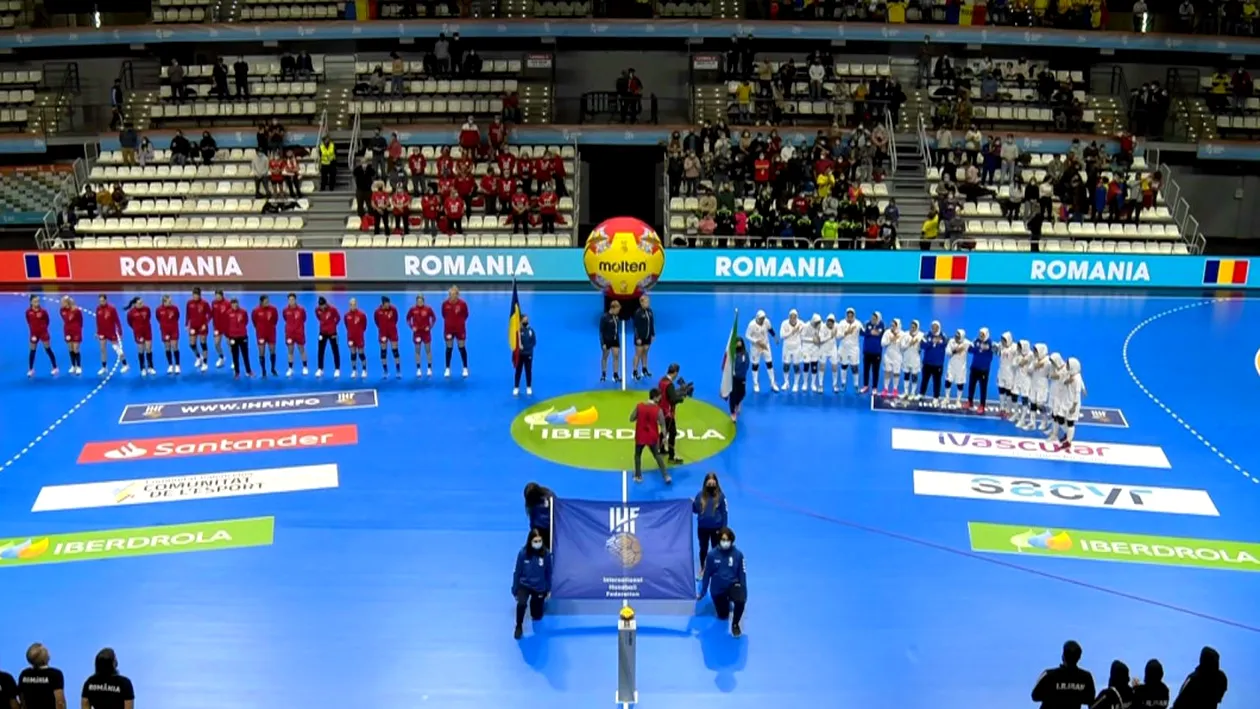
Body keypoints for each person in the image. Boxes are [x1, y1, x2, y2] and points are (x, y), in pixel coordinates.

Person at [698, 527, 747, 638]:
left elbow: (742, 575)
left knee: (740, 600)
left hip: (732, 586)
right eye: (723, 540)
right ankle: (726, 603)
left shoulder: (738, 555)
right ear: (719, 540)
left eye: (727, 540)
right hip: (718, 590)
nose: (725, 542)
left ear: (731, 540)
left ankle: (735, 624)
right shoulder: (711, 556)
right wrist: (702, 593)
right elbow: (706, 575)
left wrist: (744, 593)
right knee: (723, 615)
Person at [512, 529, 554, 640]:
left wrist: (548, 589)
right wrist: (515, 589)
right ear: (530, 541)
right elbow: (517, 572)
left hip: (539, 586)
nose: (538, 543)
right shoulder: (523, 554)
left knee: (537, 616)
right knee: (521, 603)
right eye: (535, 541)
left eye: (539, 541)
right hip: (524, 585)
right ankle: (519, 626)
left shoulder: (546, 555)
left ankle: (536, 603)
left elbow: (549, 573)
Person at [1031, 640, 1096, 709]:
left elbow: (1035, 696)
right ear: (1079, 657)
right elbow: (1090, 700)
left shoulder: (1049, 675)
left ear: (1063, 656)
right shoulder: (1086, 677)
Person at [629, 388, 671, 484]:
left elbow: (631, 418)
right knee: (657, 455)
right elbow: (663, 425)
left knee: (638, 455)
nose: (660, 399)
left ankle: (638, 476)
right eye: (659, 397)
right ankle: (666, 476)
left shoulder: (639, 406)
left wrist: (640, 416)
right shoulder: (658, 410)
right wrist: (664, 438)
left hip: (640, 436)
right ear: (655, 398)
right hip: (652, 437)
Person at [693, 472, 728, 577]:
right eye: (709, 483)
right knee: (703, 549)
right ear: (705, 483)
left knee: (716, 549)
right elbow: (696, 510)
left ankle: (715, 568)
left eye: (713, 483)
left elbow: (724, 512)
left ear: (716, 483)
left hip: (716, 529)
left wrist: (724, 529)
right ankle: (703, 568)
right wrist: (691, 504)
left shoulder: (721, 496)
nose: (711, 485)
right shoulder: (699, 496)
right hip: (702, 528)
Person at [658, 363, 690, 465]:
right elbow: (673, 399)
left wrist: (679, 391)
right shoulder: (670, 385)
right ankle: (672, 456)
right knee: (672, 433)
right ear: (675, 372)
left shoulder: (662, 380)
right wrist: (682, 397)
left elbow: (667, 394)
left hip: (661, 411)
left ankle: (661, 449)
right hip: (668, 413)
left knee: (664, 430)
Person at [18, 643, 65, 709]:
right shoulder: (55, 674)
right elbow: (60, 702)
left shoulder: (24, 674)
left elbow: (22, 698)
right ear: (46, 657)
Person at [1055, 357, 1086, 449]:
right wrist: (1084, 389)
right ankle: (1068, 434)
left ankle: (1068, 441)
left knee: (1070, 422)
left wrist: (1074, 406)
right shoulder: (1071, 374)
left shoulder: (1076, 379)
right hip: (1066, 400)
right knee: (1059, 417)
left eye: (1068, 365)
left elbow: (1077, 393)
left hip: (1073, 403)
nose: (1067, 366)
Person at [744, 310, 778, 393]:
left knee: (769, 363)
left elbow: (770, 329)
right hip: (755, 348)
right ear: (757, 318)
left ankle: (773, 383)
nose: (762, 320)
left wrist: (775, 337)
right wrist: (756, 341)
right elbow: (747, 335)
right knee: (755, 365)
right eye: (761, 318)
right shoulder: (751, 325)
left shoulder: (766, 321)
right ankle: (755, 384)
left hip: (766, 346)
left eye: (763, 318)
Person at [25, 295, 58, 378]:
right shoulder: (28, 312)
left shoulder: (43, 311)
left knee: (48, 349)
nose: (37, 303)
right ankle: (31, 369)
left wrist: (43, 328)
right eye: (35, 301)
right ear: (31, 302)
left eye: (38, 301)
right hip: (34, 333)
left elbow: (47, 321)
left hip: (43, 333)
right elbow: (28, 321)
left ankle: (55, 367)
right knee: (32, 351)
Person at [442, 285, 470, 378]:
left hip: (460, 329)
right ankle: (447, 368)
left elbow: (466, 315)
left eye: (454, 294)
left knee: (461, 348)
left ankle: (465, 368)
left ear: (458, 295)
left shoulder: (462, 304)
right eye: (450, 294)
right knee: (449, 348)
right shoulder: (445, 304)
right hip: (448, 329)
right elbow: (444, 314)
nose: (451, 296)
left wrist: (459, 322)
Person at [95, 294, 127, 376]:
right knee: (102, 349)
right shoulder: (98, 309)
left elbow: (117, 321)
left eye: (102, 301)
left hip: (111, 332)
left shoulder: (112, 309)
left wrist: (120, 332)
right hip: (102, 332)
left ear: (106, 300)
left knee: (116, 348)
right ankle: (104, 367)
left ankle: (125, 364)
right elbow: (98, 321)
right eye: (100, 301)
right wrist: (97, 332)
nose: (101, 302)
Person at [966, 327, 995, 413]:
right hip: (974, 368)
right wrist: (979, 348)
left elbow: (996, 352)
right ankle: (969, 401)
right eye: (980, 334)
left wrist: (987, 348)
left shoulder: (991, 344)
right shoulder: (976, 341)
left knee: (983, 388)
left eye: (983, 334)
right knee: (971, 386)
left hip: (984, 370)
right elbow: (970, 349)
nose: (981, 336)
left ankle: (982, 405)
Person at [124, 297, 155, 377]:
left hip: (147, 330)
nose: (142, 304)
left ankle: (151, 367)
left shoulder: (147, 309)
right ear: (134, 304)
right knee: (141, 350)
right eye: (139, 303)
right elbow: (130, 322)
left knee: (148, 348)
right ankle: (142, 368)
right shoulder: (131, 313)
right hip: (138, 333)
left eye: (142, 302)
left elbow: (148, 317)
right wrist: (136, 328)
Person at [407, 294, 437, 377]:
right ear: (416, 301)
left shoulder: (428, 309)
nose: (419, 302)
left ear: (423, 301)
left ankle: (429, 369)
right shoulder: (412, 309)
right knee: (417, 351)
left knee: (428, 350)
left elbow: (434, 318)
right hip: (417, 333)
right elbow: (408, 319)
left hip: (426, 333)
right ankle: (418, 369)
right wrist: (412, 327)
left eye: (421, 301)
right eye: (418, 301)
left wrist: (430, 327)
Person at [252, 294, 279, 378]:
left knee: (272, 351)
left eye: (268, 301)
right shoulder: (256, 311)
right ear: (261, 302)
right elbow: (254, 322)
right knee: (261, 352)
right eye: (266, 301)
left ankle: (273, 369)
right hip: (261, 334)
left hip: (271, 333)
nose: (268, 303)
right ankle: (263, 371)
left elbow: (275, 320)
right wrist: (260, 329)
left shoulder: (273, 309)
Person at [375, 296, 402, 378]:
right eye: (386, 303)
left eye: (389, 303)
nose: (388, 305)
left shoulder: (393, 309)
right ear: (383, 303)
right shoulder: (377, 311)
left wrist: (391, 326)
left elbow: (396, 319)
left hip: (393, 332)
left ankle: (398, 371)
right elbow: (376, 321)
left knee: (395, 351)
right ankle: (385, 371)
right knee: (383, 352)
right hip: (383, 333)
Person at [185, 287, 211, 372]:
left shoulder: (205, 303)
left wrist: (205, 324)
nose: (195, 297)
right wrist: (186, 324)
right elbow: (187, 314)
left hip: (202, 326)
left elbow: (210, 314)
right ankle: (198, 357)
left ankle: (205, 363)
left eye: (197, 295)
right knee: (192, 344)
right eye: (194, 295)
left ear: (200, 295)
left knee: (203, 343)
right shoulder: (189, 303)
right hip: (193, 326)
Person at [225, 298, 252, 379]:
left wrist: (241, 329)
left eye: (236, 303)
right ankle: (237, 372)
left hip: (243, 336)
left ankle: (248, 371)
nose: (235, 305)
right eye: (233, 304)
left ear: (238, 303)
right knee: (235, 355)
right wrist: (228, 336)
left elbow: (246, 321)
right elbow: (226, 325)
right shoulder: (228, 313)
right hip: (233, 337)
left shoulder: (243, 312)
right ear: (231, 305)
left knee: (245, 354)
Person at [315, 296, 342, 378]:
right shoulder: (317, 310)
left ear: (326, 304)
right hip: (322, 332)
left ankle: (337, 369)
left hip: (332, 332)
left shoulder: (333, 309)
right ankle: (320, 369)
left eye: (323, 305)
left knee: (335, 350)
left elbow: (338, 318)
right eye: (320, 305)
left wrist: (332, 325)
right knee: (320, 351)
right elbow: (319, 317)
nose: (322, 307)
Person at [859, 310, 884, 395]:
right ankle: (865, 386)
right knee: (866, 370)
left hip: (877, 352)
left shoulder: (881, 325)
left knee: (875, 371)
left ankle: (874, 387)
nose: (873, 319)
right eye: (872, 317)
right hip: (867, 352)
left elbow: (879, 334)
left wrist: (869, 333)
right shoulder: (867, 324)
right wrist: (870, 332)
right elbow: (862, 332)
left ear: (878, 318)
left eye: (875, 318)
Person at [779, 309, 805, 393]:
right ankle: (786, 382)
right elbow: (782, 336)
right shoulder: (784, 323)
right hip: (787, 348)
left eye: (795, 317)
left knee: (796, 366)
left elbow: (804, 334)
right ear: (789, 317)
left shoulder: (801, 324)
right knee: (786, 365)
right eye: (791, 317)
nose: (793, 318)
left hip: (797, 349)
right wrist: (792, 332)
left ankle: (796, 384)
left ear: (797, 317)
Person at [283, 293, 308, 377]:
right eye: (289, 300)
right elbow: (285, 318)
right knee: (290, 351)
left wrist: (298, 328)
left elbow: (304, 319)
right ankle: (290, 369)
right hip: (289, 334)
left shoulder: (301, 310)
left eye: (293, 299)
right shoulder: (285, 310)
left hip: (299, 333)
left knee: (302, 350)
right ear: (288, 300)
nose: (291, 301)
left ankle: (305, 367)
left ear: (295, 300)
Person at [632, 294, 656, 382]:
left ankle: (644, 369)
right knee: (638, 354)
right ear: (641, 303)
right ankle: (634, 372)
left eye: (648, 302)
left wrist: (653, 334)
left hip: (648, 336)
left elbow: (652, 323)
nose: (648, 303)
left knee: (645, 353)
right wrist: (638, 337)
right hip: (640, 338)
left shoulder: (650, 311)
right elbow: (635, 327)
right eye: (646, 302)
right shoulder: (638, 313)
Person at [920, 320, 946, 400]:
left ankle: (936, 397)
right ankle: (921, 394)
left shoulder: (943, 336)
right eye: (933, 327)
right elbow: (922, 345)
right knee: (924, 379)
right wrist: (931, 342)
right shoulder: (927, 335)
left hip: (938, 364)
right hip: (927, 363)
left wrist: (938, 342)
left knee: (937, 381)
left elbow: (945, 345)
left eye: (936, 327)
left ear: (938, 327)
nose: (934, 329)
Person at [837, 308, 861, 392]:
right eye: (848, 315)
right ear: (846, 315)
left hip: (854, 349)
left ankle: (856, 385)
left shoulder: (858, 323)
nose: (850, 317)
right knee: (844, 366)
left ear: (854, 315)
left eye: (851, 316)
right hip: (843, 348)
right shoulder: (841, 323)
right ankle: (843, 383)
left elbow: (865, 332)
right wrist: (847, 332)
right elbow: (838, 336)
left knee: (854, 367)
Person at [1012, 340, 1035, 430]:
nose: (1018, 348)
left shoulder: (1031, 355)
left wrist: (1027, 362)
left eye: (1020, 347)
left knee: (1024, 399)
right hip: (1018, 378)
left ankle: (1023, 418)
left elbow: (1033, 367)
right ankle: (1016, 414)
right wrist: (1020, 362)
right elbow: (1013, 365)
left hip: (1026, 380)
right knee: (1014, 396)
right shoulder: (1018, 355)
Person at [156, 295, 181, 374]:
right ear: (164, 302)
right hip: (165, 331)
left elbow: (177, 316)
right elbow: (158, 318)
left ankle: (177, 365)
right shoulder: (159, 310)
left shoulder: (175, 308)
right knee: (167, 347)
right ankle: (170, 365)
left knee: (175, 347)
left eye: (171, 301)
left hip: (174, 330)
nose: (171, 303)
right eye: (169, 302)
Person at [944, 329, 970, 406]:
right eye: (956, 335)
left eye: (958, 336)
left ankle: (958, 400)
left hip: (961, 368)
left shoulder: (966, 343)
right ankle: (947, 398)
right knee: (948, 381)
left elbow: (974, 348)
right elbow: (947, 352)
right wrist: (956, 351)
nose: (956, 337)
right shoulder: (951, 341)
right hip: (951, 366)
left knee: (960, 384)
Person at [344, 298, 369, 379]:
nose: (352, 306)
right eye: (351, 304)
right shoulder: (346, 315)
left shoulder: (362, 315)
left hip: (359, 337)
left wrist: (360, 332)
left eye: (354, 304)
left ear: (356, 304)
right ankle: (354, 371)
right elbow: (346, 325)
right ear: (349, 305)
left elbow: (364, 326)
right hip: (351, 337)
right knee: (353, 354)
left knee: (361, 354)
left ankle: (364, 370)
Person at [59, 296, 83, 376]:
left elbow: (80, 321)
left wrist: (78, 329)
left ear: (67, 302)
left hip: (76, 331)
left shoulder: (76, 311)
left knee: (76, 348)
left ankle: (79, 366)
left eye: (62, 302)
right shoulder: (62, 311)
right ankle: (73, 366)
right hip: (67, 331)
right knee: (70, 348)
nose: (61, 304)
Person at [513, 312, 536, 397]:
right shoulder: (518, 331)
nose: (526, 321)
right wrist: (519, 347)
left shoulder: (531, 331)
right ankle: (516, 387)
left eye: (527, 320)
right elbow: (514, 343)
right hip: (520, 355)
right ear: (521, 321)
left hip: (528, 354)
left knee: (528, 371)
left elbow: (534, 342)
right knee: (518, 371)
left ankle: (529, 387)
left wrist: (526, 348)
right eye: (525, 320)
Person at [880, 318, 904, 398]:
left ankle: (895, 389)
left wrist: (898, 340)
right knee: (887, 372)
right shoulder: (887, 332)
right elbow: (883, 343)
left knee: (896, 373)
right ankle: (886, 389)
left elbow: (903, 347)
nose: (892, 327)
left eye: (894, 326)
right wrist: (891, 340)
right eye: (891, 326)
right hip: (888, 356)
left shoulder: (902, 334)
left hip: (898, 357)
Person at [900, 320, 924, 400]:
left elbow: (924, 346)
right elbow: (902, 347)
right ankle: (906, 392)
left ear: (917, 327)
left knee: (914, 376)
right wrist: (909, 344)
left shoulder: (921, 335)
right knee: (906, 375)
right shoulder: (905, 334)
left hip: (915, 359)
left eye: (914, 327)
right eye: (911, 327)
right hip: (906, 358)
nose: (912, 328)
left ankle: (913, 393)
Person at [599, 300, 622, 383]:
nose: (618, 311)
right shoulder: (604, 317)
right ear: (613, 308)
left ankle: (615, 375)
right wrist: (603, 343)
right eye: (618, 309)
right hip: (607, 341)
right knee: (605, 357)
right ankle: (603, 374)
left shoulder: (616, 317)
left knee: (616, 357)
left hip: (615, 340)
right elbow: (601, 331)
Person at [996, 332, 1018, 417]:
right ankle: (1002, 408)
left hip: (1010, 373)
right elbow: (996, 352)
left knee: (1008, 392)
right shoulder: (1000, 345)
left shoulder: (1014, 348)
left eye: (1004, 340)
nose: (1002, 342)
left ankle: (1008, 410)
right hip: (1001, 371)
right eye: (1002, 340)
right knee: (1001, 390)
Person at [727, 337, 749, 420]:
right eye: (737, 342)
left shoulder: (745, 353)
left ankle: (738, 403)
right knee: (733, 395)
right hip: (733, 377)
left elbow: (747, 364)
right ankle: (732, 413)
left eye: (739, 342)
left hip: (742, 377)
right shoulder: (732, 354)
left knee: (742, 393)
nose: (738, 343)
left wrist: (743, 372)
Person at [802, 314, 823, 393]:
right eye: (816, 323)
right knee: (806, 365)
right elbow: (802, 337)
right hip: (806, 349)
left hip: (815, 349)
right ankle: (805, 383)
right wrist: (812, 340)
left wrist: (818, 339)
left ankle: (813, 384)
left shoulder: (820, 326)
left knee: (814, 366)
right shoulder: (806, 326)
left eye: (819, 322)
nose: (818, 324)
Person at [211, 289, 231, 368]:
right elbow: (212, 313)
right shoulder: (213, 303)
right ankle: (221, 357)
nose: (217, 297)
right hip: (217, 327)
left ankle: (234, 360)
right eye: (216, 296)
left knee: (229, 344)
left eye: (219, 296)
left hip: (227, 327)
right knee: (216, 344)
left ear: (222, 296)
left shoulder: (227, 303)